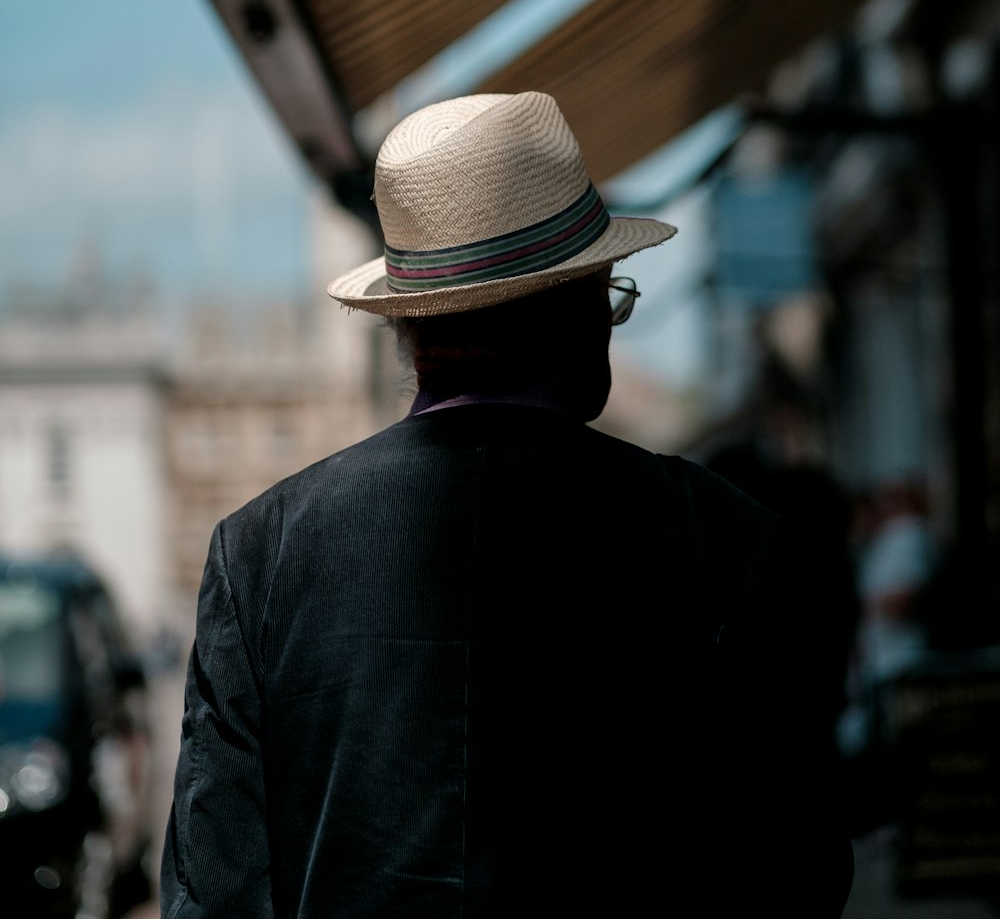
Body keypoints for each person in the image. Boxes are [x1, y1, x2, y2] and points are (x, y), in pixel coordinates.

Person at [160, 91, 853, 917]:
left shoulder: (261, 554)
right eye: (610, 293)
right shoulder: (721, 538)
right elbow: (795, 872)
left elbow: (215, 892)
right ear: (580, 308)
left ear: (410, 330)